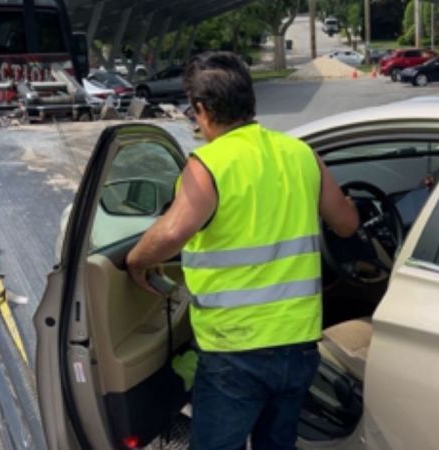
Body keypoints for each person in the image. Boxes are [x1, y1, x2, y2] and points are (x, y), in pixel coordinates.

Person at [125, 51, 359, 449]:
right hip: (299, 346)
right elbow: (347, 223)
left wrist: (135, 263)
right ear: (249, 99)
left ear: (201, 109)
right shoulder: (301, 154)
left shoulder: (209, 164)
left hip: (236, 351)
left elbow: (171, 233)